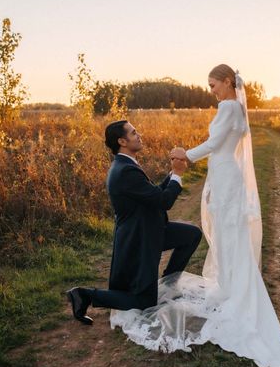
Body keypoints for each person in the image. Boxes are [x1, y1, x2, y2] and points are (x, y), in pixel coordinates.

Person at [110, 64, 280, 367]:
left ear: (226, 82)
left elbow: (213, 144)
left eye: (212, 85)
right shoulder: (236, 109)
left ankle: (237, 294)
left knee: (227, 236)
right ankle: (233, 287)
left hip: (224, 177)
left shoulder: (228, 107)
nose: (211, 91)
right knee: (226, 236)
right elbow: (221, 144)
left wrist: (185, 154)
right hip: (225, 174)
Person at [66, 120, 203, 324]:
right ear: (122, 141)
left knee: (192, 235)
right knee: (145, 301)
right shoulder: (125, 170)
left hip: (151, 229)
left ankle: (169, 282)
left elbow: (152, 194)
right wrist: (177, 174)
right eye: (133, 133)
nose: (139, 135)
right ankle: (85, 295)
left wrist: (173, 173)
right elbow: (163, 201)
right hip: (139, 237)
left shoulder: (126, 165)